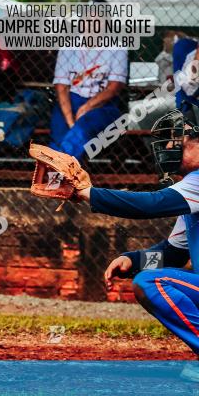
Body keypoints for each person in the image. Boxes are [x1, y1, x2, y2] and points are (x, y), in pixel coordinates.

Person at [79, 109, 199, 381]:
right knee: (150, 277)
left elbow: (150, 205)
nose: (170, 146)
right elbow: (173, 255)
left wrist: (87, 194)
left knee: (152, 284)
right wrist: (134, 260)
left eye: (180, 138)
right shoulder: (191, 192)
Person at [50, 0, 128, 159]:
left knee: (83, 127)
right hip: (71, 102)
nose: (92, 23)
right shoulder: (68, 46)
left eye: (98, 18)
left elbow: (113, 88)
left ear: (107, 21)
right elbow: (61, 87)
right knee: (60, 130)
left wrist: (86, 108)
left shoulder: (117, 47)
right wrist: (71, 121)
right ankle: (62, 178)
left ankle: (57, 178)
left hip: (103, 105)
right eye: (87, 18)